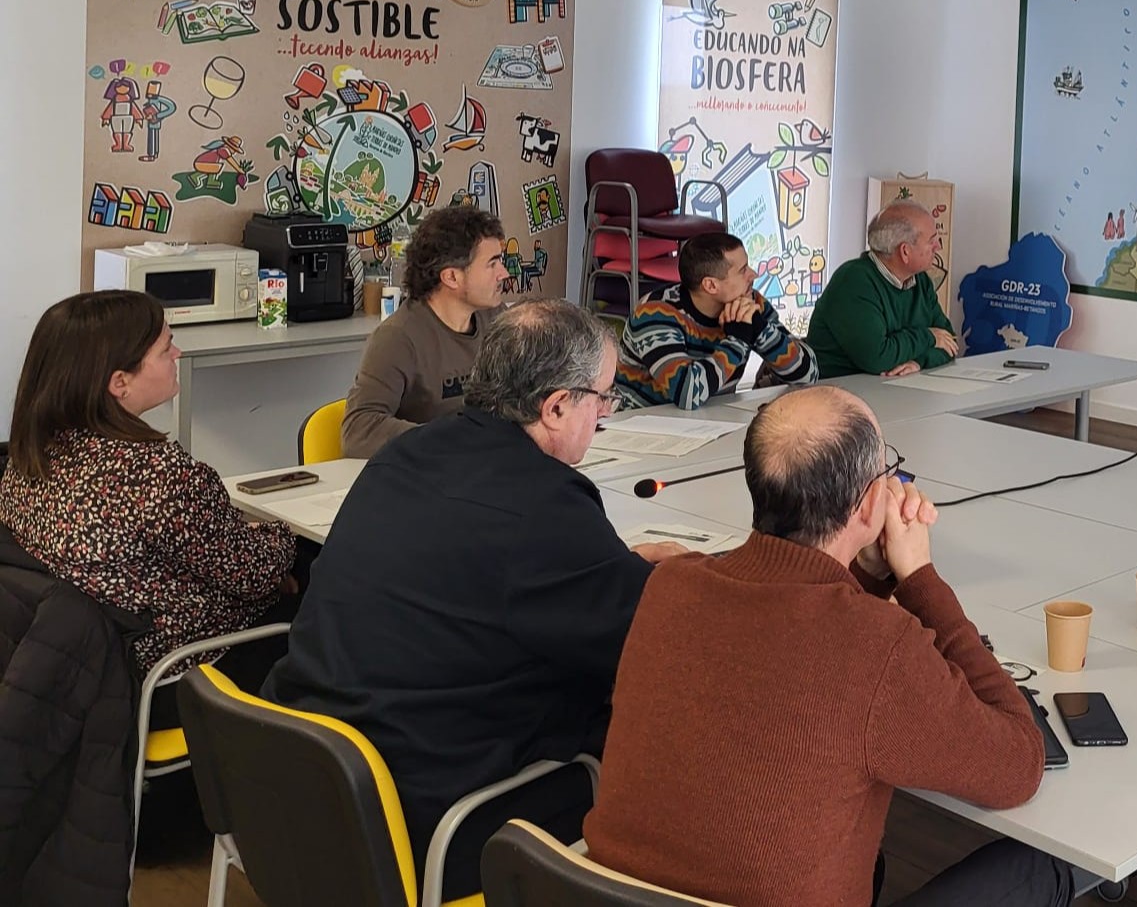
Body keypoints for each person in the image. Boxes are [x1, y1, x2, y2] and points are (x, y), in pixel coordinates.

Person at [266, 299, 686, 900]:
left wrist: (609, 569)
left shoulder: (407, 454)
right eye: (604, 398)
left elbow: (493, 577)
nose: (605, 416)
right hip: (437, 817)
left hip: (309, 774)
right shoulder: (545, 504)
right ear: (558, 405)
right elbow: (650, 644)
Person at [586, 386, 1070, 907]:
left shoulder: (669, 586)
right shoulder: (878, 644)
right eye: (888, 475)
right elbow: (1019, 764)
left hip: (598, 895)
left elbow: (797, 637)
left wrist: (866, 574)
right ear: (867, 506)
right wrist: (919, 578)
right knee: (1044, 870)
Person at [1, 291, 300, 725]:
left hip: (75, 676)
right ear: (119, 382)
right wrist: (280, 538)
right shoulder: (160, 475)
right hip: (169, 676)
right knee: (324, 586)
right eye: (165, 348)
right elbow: (255, 576)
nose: (177, 353)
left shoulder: (28, 454)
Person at [342, 204, 510, 458]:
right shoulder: (397, 337)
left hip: (485, 464)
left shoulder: (496, 318)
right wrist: (451, 439)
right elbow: (359, 430)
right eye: (492, 264)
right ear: (451, 278)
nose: (503, 274)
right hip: (430, 477)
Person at [614, 231, 815, 410]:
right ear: (711, 285)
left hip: (714, 421)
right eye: (743, 270)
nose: (753, 274)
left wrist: (760, 329)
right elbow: (688, 394)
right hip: (643, 427)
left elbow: (808, 375)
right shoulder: (655, 313)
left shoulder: (748, 303)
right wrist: (738, 338)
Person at [806, 203, 959, 379]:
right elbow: (878, 358)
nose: (937, 247)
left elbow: (950, 342)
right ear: (905, 251)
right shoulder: (853, 281)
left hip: (893, 389)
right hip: (840, 394)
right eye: (931, 241)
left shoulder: (920, 280)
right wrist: (929, 337)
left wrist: (919, 362)